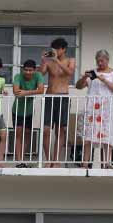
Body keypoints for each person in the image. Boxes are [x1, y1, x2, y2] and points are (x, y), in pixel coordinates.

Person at [76, 49, 113, 169]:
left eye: (102, 61)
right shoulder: (92, 73)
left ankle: (107, 163)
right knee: (89, 135)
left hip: (107, 109)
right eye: (98, 61)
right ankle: (85, 163)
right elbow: (78, 87)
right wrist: (84, 78)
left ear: (107, 60)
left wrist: (105, 80)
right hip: (92, 108)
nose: (99, 63)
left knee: (107, 135)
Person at [39, 38, 77, 167]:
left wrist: (57, 61)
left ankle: (56, 160)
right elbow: (40, 74)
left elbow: (70, 73)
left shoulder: (70, 60)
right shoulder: (49, 61)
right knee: (46, 130)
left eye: (58, 49)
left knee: (60, 130)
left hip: (63, 96)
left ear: (64, 49)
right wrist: (43, 61)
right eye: (53, 49)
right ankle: (48, 159)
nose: (55, 51)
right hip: (49, 96)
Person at [11, 60, 45, 167]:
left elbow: (41, 90)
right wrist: (31, 92)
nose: (28, 72)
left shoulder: (38, 75)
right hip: (17, 110)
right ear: (23, 69)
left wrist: (25, 92)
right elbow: (16, 91)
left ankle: (22, 159)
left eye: (30, 70)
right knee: (18, 134)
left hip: (29, 111)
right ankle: (19, 160)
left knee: (27, 134)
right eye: (26, 70)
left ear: (34, 70)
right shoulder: (18, 76)